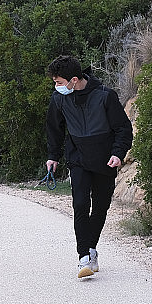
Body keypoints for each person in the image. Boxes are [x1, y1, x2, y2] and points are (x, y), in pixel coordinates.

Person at [45, 55, 133, 278]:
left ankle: (91, 249)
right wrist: (52, 156)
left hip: (105, 159)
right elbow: (54, 129)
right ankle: (84, 257)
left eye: (59, 82)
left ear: (74, 80)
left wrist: (117, 153)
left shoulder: (104, 95)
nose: (57, 87)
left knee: (101, 206)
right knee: (81, 204)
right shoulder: (59, 99)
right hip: (78, 159)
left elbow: (123, 129)